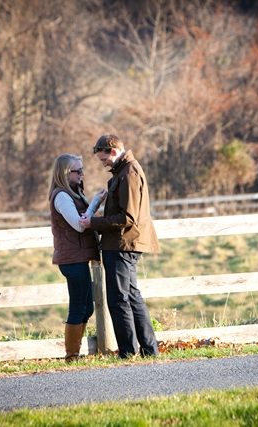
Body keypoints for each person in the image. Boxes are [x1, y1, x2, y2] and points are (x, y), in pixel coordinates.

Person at [80, 134, 160, 358]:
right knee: (131, 296)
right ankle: (149, 349)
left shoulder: (129, 174)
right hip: (124, 242)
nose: (103, 163)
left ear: (113, 151)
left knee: (118, 299)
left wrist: (92, 223)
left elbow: (128, 217)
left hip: (123, 244)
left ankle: (128, 351)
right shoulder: (124, 172)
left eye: (104, 159)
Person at [48, 153, 106, 362]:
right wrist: (96, 202)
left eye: (82, 169)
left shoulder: (73, 193)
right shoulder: (62, 196)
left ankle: (74, 353)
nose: (82, 174)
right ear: (65, 173)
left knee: (87, 307)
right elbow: (79, 224)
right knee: (78, 307)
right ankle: (72, 355)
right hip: (71, 260)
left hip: (78, 258)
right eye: (77, 170)